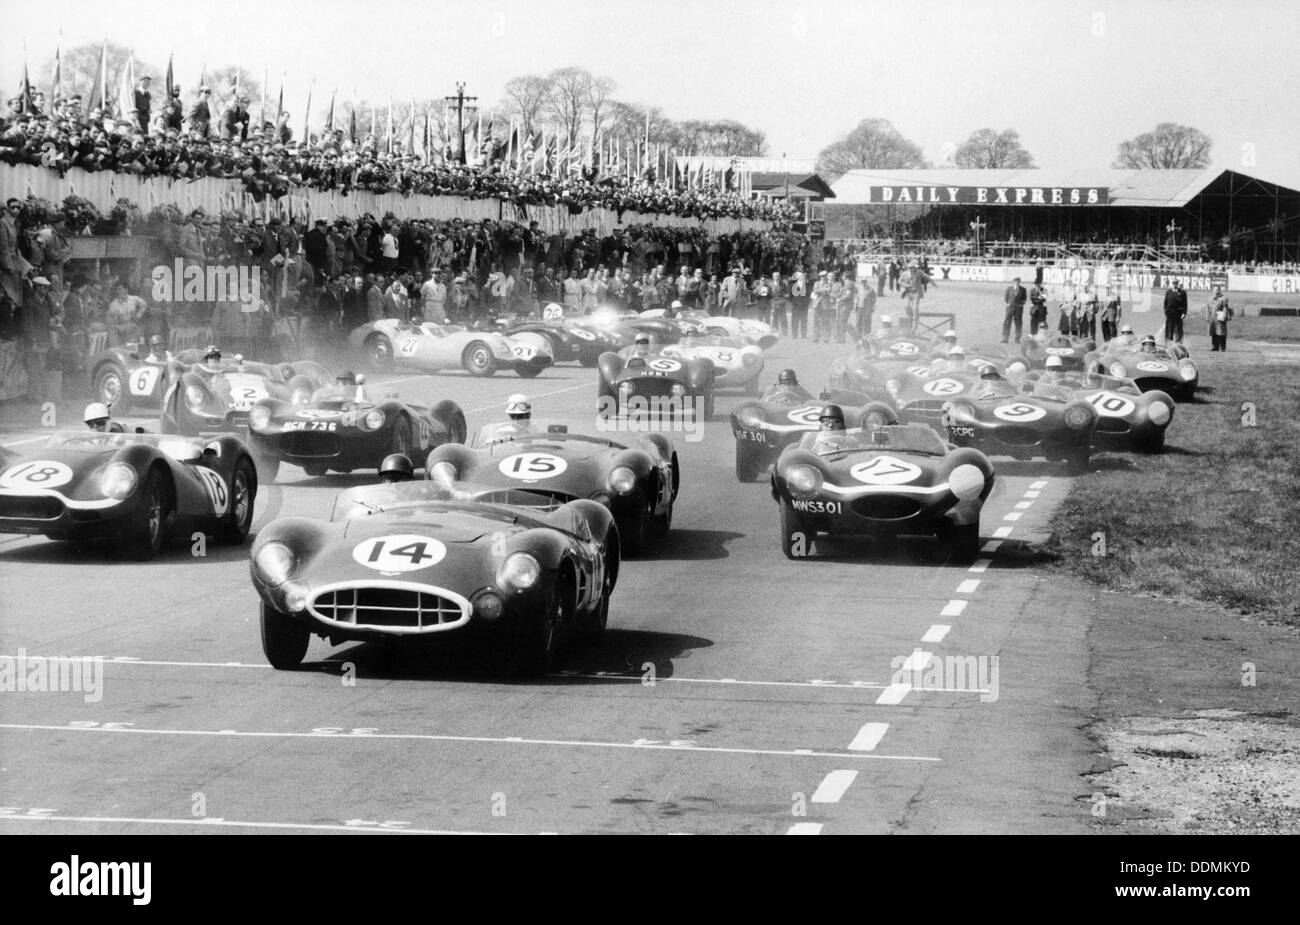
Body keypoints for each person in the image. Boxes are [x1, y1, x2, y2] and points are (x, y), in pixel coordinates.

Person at [1206, 286, 1232, 351]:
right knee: (1213, 332)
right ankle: (1215, 346)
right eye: (1214, 289)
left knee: (1221, 332)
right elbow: (1208, 308)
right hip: (1212, 317)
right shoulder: (1210, 298)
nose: (1215, 291)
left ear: (1219, 290)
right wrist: (1207, 317)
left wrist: (1224, 316)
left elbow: (1225, 308)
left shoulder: (1223, 298)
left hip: (1220, 316)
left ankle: (1222, 347)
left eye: (1217, 290)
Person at [1002, 276, 1027, 343]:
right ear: (1013, 282)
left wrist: (1021, 305)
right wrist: (1008, 304)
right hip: (1010, 308)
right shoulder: (1009, 289)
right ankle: (1005, 338)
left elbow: (1024, 299)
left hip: (1018, 308)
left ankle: (1017, 338)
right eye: (1016, 281)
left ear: (1020, 282)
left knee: (1018, 323)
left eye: (1018, 281)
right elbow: (1006, 298)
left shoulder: (1023, 289)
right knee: (1007, 322)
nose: (1017, 282)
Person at [1163, 279, 1187, 344]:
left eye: (1176, 283)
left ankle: (1178, 343)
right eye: (1173, 283)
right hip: (1170, 314)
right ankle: (1168, 342)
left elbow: (1185, 304)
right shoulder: (1168, 292)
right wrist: (1166, 311)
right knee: (1169, 329)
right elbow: (1165, 302)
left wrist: (1184, 313)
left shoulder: (1182, 292)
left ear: (1178, 284)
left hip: (1178, 314)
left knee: (1178, 329)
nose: (1175, 285)